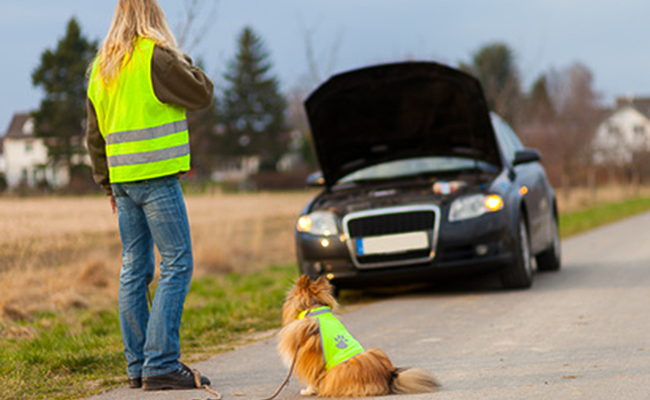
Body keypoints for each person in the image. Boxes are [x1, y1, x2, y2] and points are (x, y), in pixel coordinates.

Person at [85, 0, 214, 391]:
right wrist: (178, 54)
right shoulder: (156, 58)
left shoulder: (101, 67)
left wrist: (108, 184)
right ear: (154, 17)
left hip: (123, 183)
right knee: (176, 264)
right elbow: (202, 93)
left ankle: (139, 365)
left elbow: (94, 136)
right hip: (156, 179)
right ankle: (160, 363)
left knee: (134, 270)